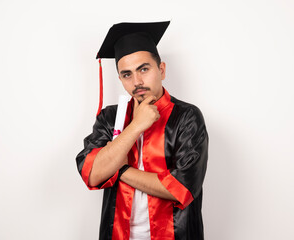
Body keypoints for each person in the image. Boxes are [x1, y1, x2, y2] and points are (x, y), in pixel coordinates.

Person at [76, 21, 209, 240]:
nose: (137, 81)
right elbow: (92, 174)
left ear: (162, 70)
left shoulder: (187, 117)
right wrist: (136, 125)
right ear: (120, 79)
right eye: (127, 74)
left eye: (144, 69)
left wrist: (118, 169)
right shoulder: (109, 118)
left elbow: (180, 188)